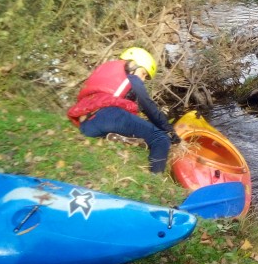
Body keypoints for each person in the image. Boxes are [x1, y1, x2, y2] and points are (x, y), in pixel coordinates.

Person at [67, 47, 181, 175]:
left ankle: (121, 138)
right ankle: (156, 178)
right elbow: (148, 106)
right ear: (132, 65)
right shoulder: (132, 77)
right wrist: (169, 131)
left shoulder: (106, 70)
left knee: (138, 126)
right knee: (161, 139)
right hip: (108, 116)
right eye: (143, 73)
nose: (143, 79)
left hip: (86, 125)